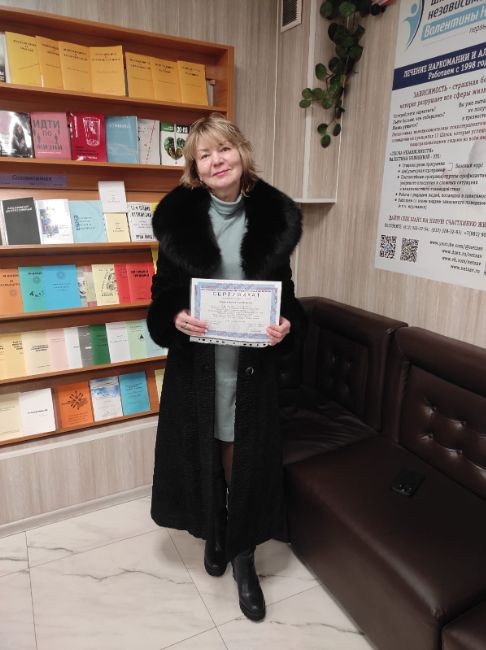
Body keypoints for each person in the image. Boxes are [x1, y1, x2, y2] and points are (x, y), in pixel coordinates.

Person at [147, 113, 305, 622]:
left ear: (241, 152)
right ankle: (215, 533)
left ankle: (244, 556)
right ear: (195, 166)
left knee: (247, 458)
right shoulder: (178, 219)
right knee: (206, 449)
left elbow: (286, 296)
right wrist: (176, 317)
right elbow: (161, 297)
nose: (217, 161)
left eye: (224, 149)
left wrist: (286, 323)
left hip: (251, 368)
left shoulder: (274, 217)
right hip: (199, 366)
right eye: (205, 154)